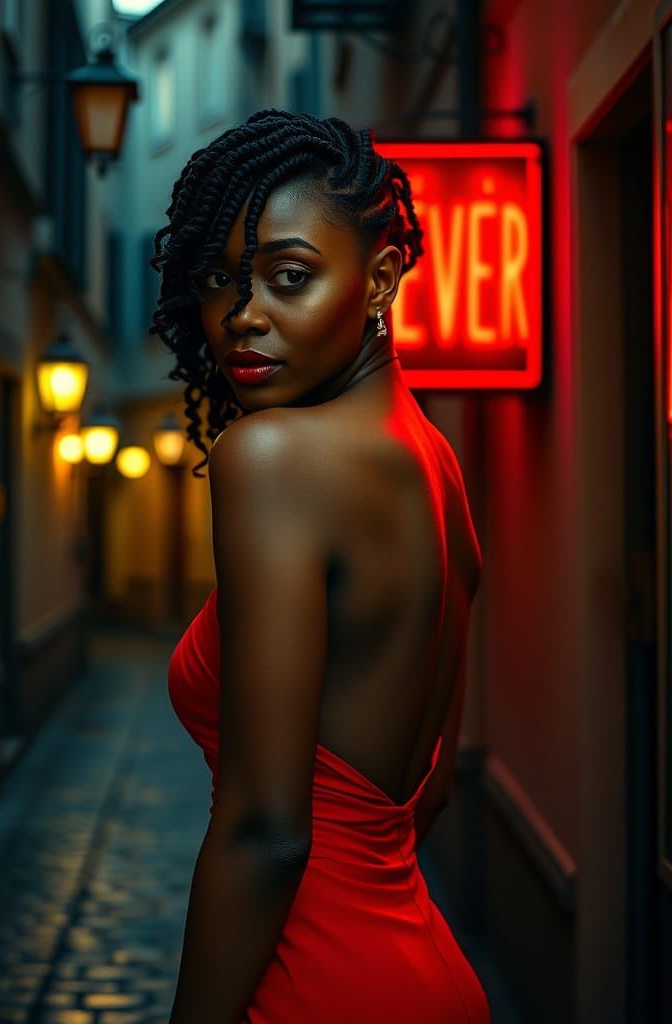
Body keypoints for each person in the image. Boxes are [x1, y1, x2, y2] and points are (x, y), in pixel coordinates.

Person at [153, 109, 488, 1024]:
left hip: (314, 988)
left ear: (380, 278)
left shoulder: (272, 460)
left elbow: (265, 832)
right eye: (221, 280)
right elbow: (434, 785)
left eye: (287, 277)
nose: (243, 315)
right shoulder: (436, 467)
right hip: (420, 966)